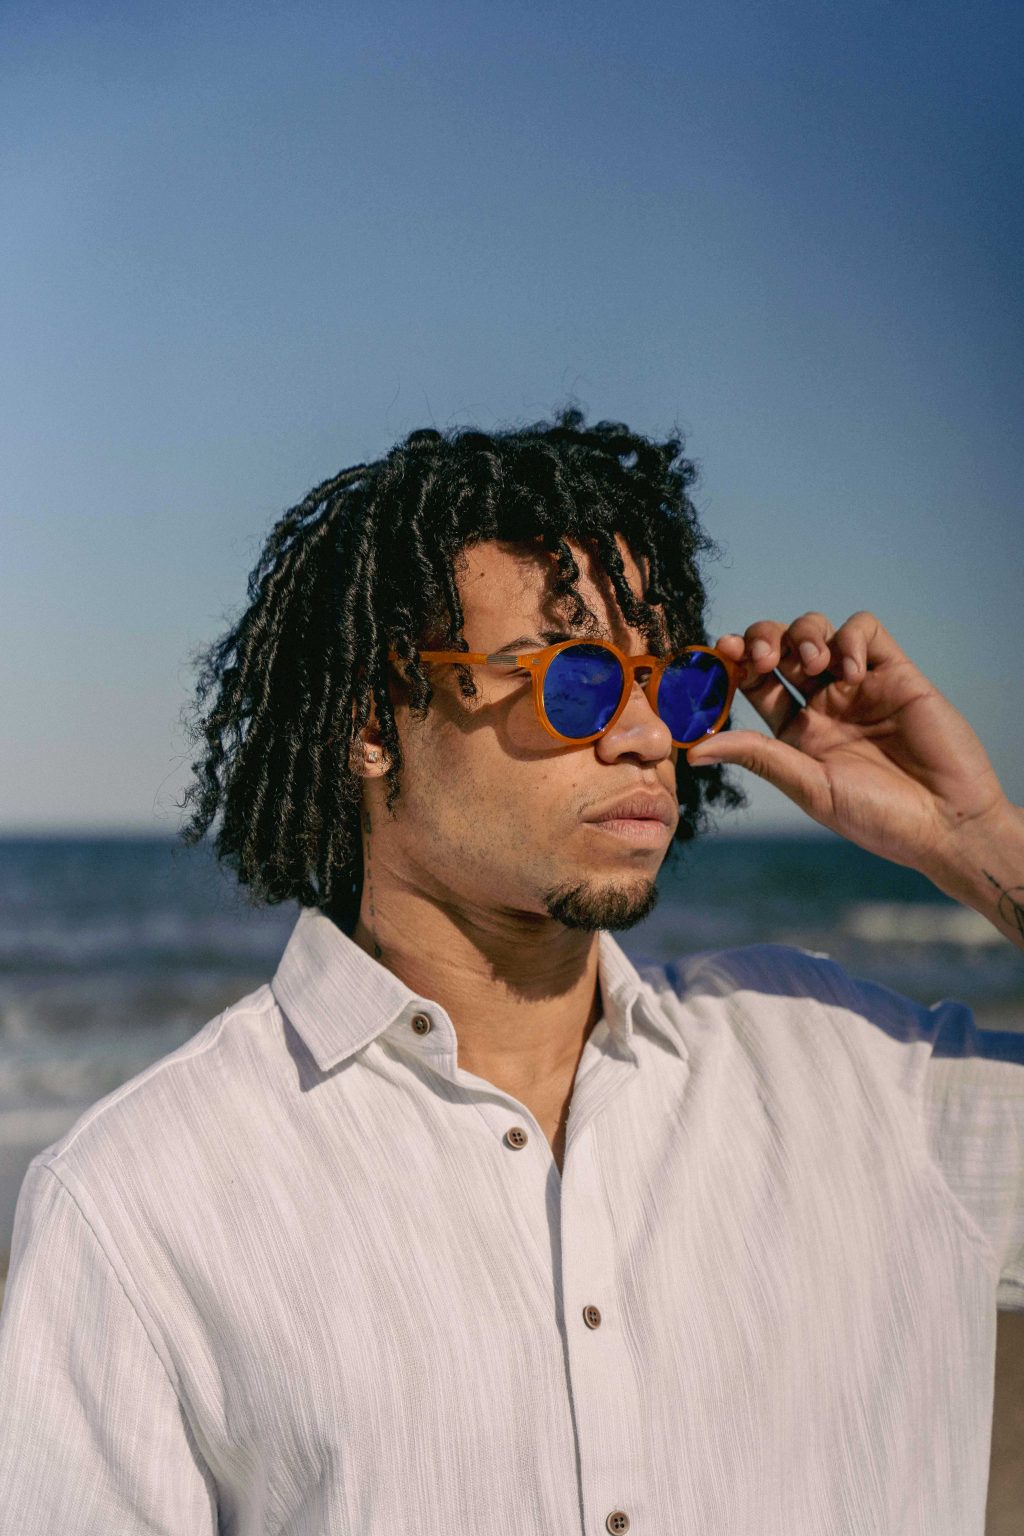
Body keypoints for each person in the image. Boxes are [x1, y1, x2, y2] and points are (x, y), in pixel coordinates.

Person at [0, 409, 1021, 1534]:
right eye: (577, 681)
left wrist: (974, 842)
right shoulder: (141, 1204)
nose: (646, 737)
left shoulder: (860, 1075)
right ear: (372, 720)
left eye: (673, 684)